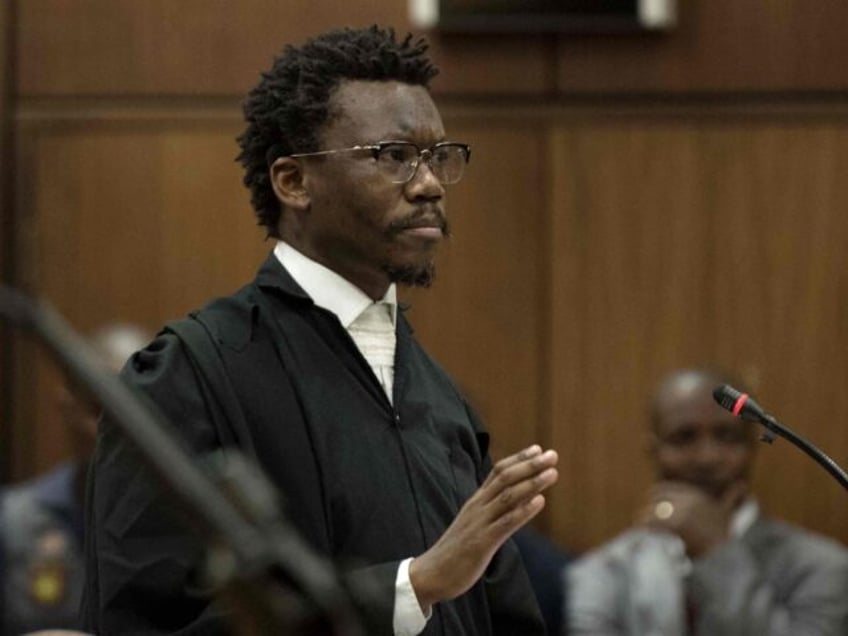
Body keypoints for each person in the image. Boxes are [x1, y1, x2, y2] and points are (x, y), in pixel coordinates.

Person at [82, 25, 558, 635]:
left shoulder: (442, 400)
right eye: (393, 156)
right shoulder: (190, 375)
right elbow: (141, 623)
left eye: (439, 156)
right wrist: (408, 589)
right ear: (294, 182)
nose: (430, 183)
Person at [566, 368, 848, 635]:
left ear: (751, 447)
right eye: (683, 438)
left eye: (727, 436)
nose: (706, 458)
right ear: (654, 450)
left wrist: (715, 550)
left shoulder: (821, 567)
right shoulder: (603, 573)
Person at [0, 324, 150, 635]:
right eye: (99, 410)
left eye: (132, 412)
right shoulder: (12, 521)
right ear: (67, 407)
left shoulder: (187, 531)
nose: (116, 430)